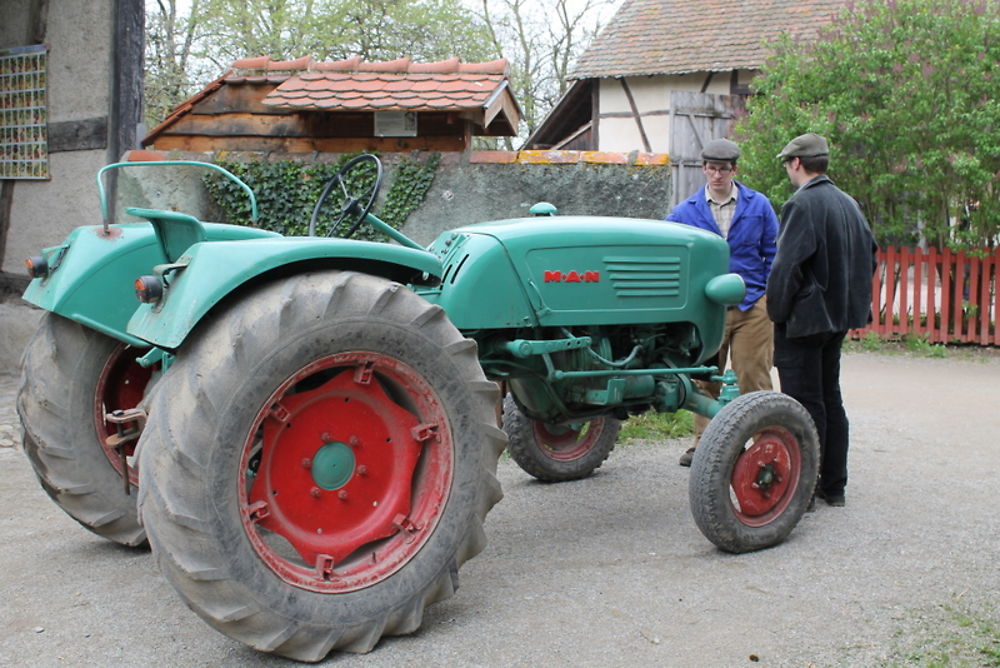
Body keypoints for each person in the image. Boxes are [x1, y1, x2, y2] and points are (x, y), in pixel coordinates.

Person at [767, 133, 878, 507]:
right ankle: (834, 486)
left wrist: (777, 314)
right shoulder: (849, 203)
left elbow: (786, 268)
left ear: (796, 163)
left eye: (787, 163)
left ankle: (806, 488)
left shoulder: (802, 204)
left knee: (803, 403)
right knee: (830, 398)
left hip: (805, 320)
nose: (787, 169)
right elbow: (870, 257)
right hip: (838, 318)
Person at [666, 138, 779, 467]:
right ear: (703, 169)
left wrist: (767, 295)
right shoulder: (686, 212)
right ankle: (705, 445)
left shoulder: (758, 206)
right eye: (711, 168)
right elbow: (672, 254)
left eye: (723, 169)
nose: (717, 175)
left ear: (734, 170)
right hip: (707, 309)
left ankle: (763, 445)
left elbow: (773, 254)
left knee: (753, 377)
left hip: (751, 305)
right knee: (705, 377)